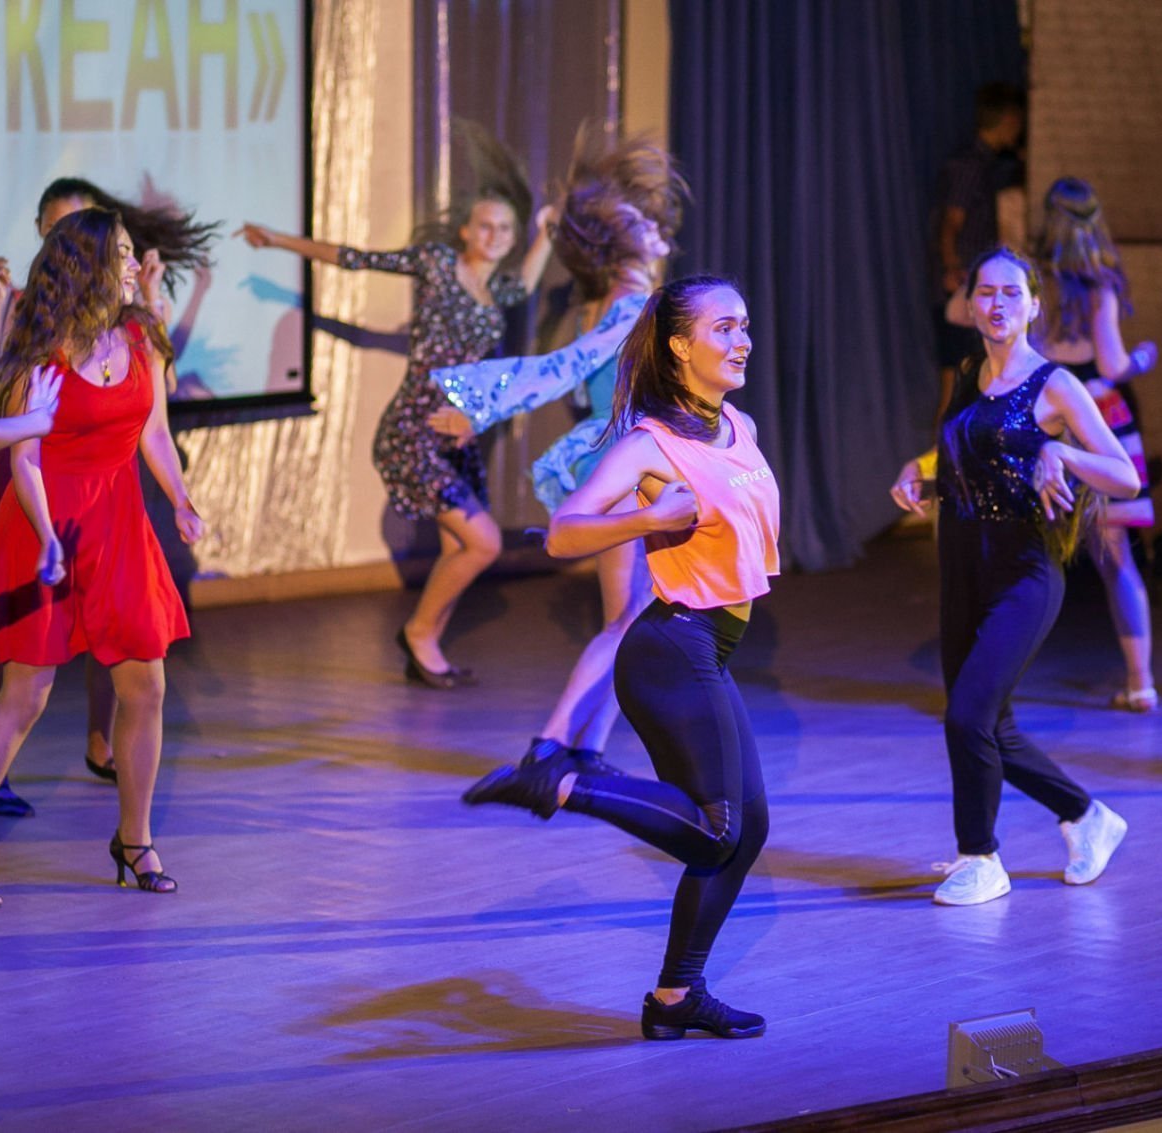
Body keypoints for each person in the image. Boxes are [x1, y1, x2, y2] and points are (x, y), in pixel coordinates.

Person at [464, 275, 776, 1041]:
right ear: (680, 346)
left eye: (744, 326)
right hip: (671, 647)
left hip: (710, 649)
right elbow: (564, 530)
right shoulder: (648, 444)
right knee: (717, 830)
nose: (742, 341)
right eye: (725, 328)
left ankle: (675, 997)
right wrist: (650, 515)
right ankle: (562, 782)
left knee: (747, 830)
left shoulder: (739, 426)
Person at [0, 208, 205, 908]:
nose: (133, 264)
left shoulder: (141, 335)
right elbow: (20, 455)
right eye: (121, 253)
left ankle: (134, 840)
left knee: (146, 686)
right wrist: (50, 539)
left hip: (119, 523)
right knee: (24, 696)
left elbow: (155, 431)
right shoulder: (42, 350)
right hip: (42, 524)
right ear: (87, 266)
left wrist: (180, 499)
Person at [238, 153, 554, 686]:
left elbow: (523, 284)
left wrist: (546, 231)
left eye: (505, 229)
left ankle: (426, 647)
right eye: (485, 225)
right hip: (411, 432)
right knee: (484, 544)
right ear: (465, 230)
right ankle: (419, 633)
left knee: (460, 547)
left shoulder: (496, 291)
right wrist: (278, 241)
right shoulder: (437, 263)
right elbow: (356, 259)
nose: (496, 236)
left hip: (453, 438)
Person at [429, 131, 688, 772]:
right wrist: (479, 406)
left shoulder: (610, 303)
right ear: (624, 242)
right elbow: (565, 369)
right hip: (628, 464)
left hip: (638, 460)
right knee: (626, 622)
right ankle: (551, 745)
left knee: (634, 621)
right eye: (643, 224)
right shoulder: (631, 306)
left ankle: (586, 750)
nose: (658, 232)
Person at [892, 248, 1141, 908]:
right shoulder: (968, 373)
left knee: (966, 716)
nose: (997, 303)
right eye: (985, 292)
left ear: (1033, 305)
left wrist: (1059, 449)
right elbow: (965, 455)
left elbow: (1125, 476)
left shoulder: (1056, 384)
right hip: (961, 567)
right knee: (988, 725)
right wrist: (921, 473)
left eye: (1011, 293)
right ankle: (1087, 816)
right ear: (971, 305)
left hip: (1024, 572)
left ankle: (981, 858)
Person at [1027, 177, 1161, 710]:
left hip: (1047, 408)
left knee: (1027, 552)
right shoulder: (1100, 285)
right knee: (1117, 558)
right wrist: (1143, 359)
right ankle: (1140, 682)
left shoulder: (1034, 280)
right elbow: (1112, 363)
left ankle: (1000, 679)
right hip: (1099, 414)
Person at [932, 83, 1026, 423]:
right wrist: (952, 269)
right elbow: (951, 223)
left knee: (975, 384)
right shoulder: (970, 166)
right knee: (955, 386)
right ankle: (943, 454)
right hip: (960, 290)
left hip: (973, 289)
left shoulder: (988, 166)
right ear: (1008, 119)